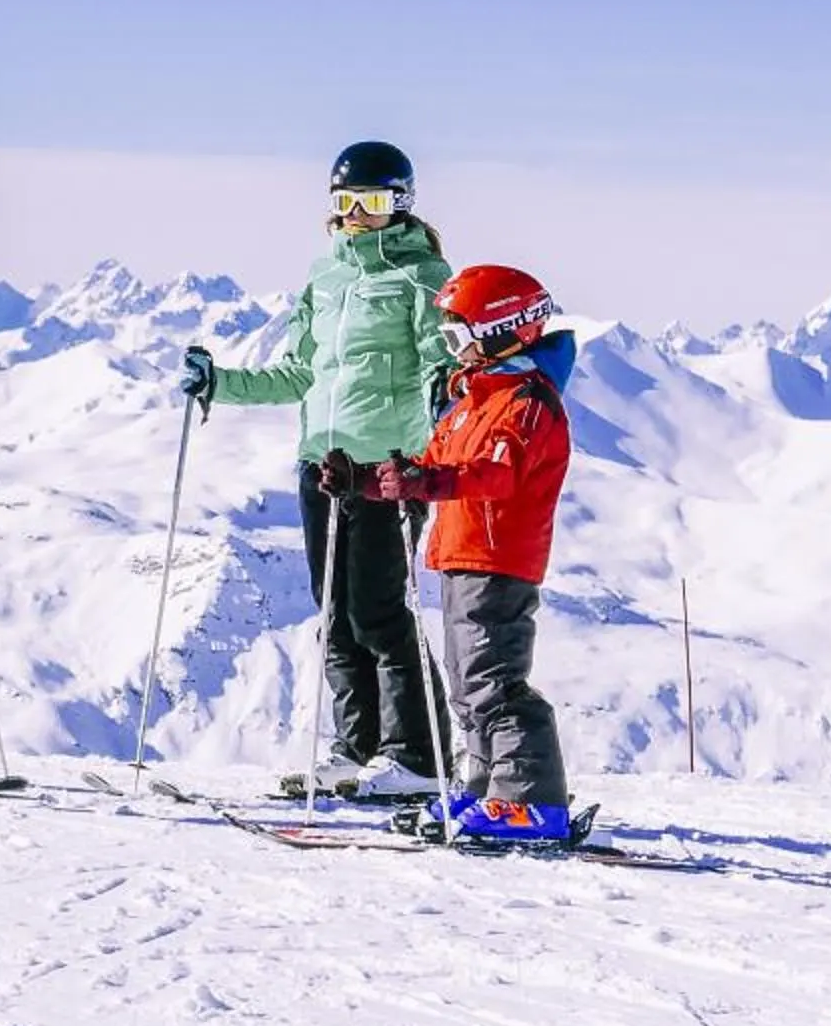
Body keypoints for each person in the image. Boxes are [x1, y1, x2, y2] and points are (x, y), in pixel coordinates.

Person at [179, 142, 453, 800]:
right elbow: (300, 374)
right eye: (345, 203)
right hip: (322, 465)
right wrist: (222, 382)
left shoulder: (422, 276)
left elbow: (434, 361)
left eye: (373, 203)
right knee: (335, 614)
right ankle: (355, 749)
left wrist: (439, 405)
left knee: (380, 613)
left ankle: (415, 754)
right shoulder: (325, 278)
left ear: (403, 205)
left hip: (387, 467)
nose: (358, 215)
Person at [349, 263, 577, 842]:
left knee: (494, 682)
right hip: (461, 554)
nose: (453, 347)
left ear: (505, 329)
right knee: (467, 684)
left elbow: (494, 475)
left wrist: (425, 484)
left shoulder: (527, 403)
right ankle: (486, 790)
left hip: (499, 559)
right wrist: (362, 481)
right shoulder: (473, 398)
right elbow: (428, 468)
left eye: (460, 334)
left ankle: (532, 803)